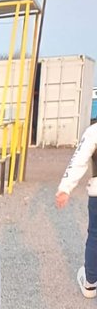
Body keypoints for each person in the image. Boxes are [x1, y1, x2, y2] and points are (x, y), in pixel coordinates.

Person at [53, 114, 97, 297]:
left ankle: (90, 283)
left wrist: (65, 188)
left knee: (95, 236)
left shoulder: (94, 131)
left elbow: (79, 160)